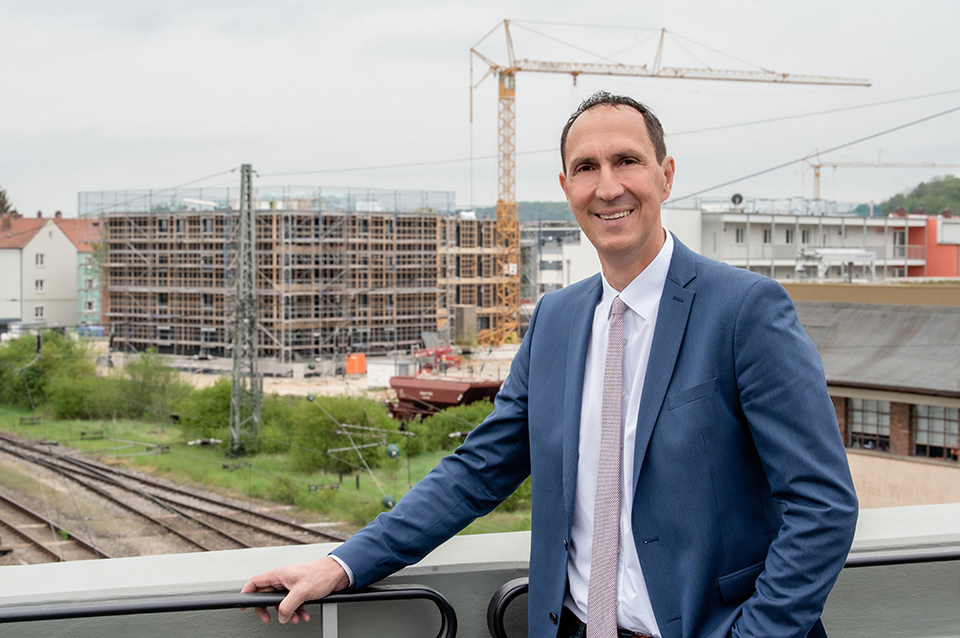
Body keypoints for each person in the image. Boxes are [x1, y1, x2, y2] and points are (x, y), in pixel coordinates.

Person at [242, 92, 859, 638]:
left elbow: (822, 504)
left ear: (666, 176)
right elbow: (479, 470)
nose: (608, 186)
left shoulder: (744, 310)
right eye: (586, 168)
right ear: (566, 188)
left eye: (627, 161)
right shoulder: (556, 319)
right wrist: (343, 563)